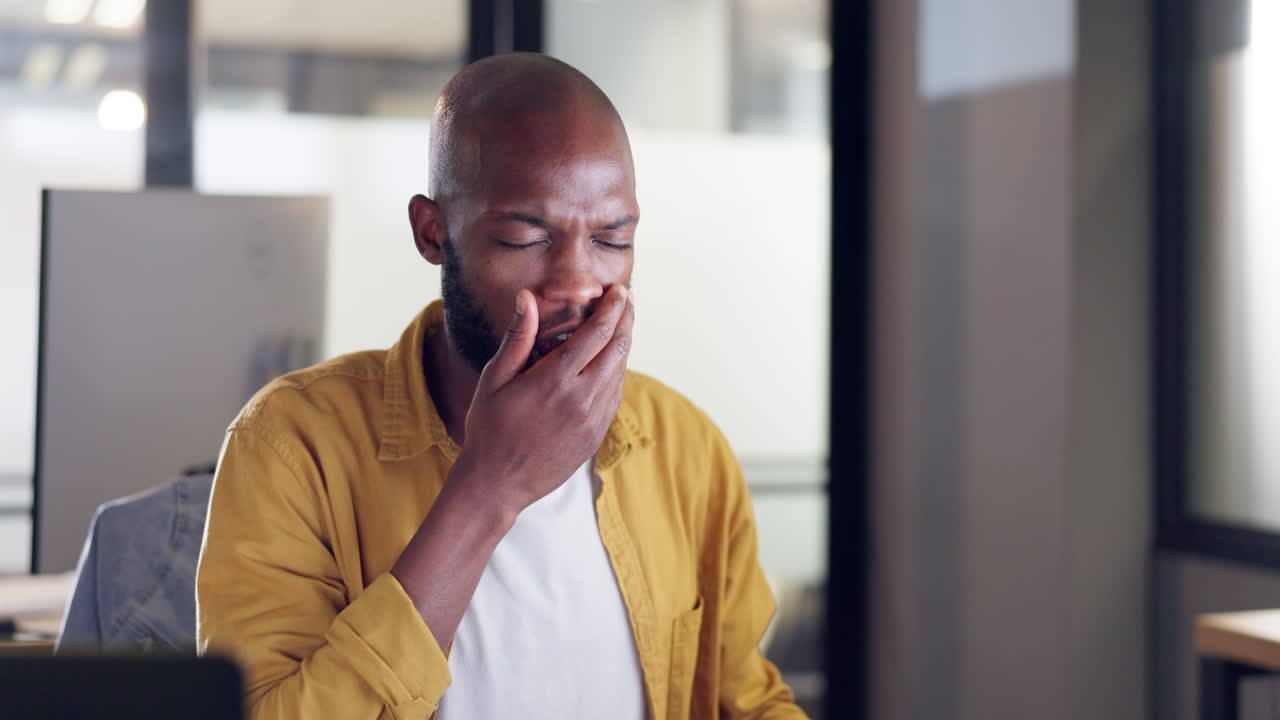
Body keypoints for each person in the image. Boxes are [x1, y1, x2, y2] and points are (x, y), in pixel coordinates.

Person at [196, 52, 807, 720]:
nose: (577, 283)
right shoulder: (293, 444)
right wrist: (490, 487)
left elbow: (746, 702)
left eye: (612, 239)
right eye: (524, 238)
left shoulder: (685, 447)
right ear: (434, 232)